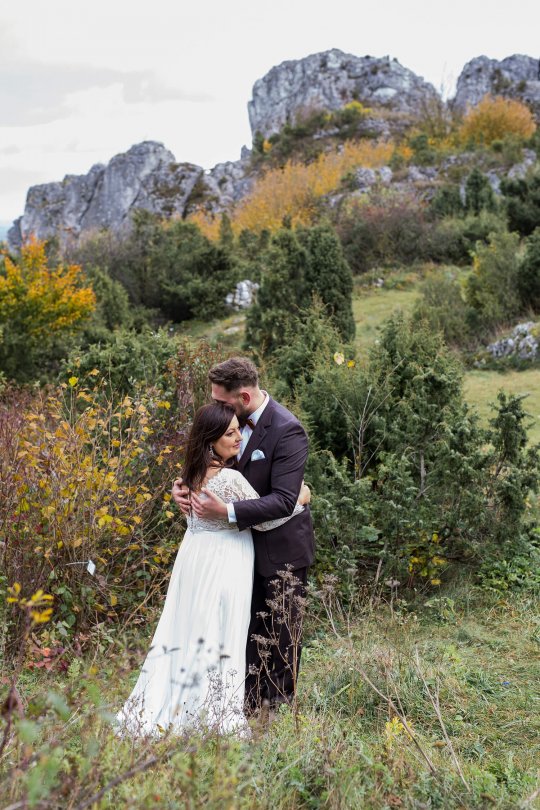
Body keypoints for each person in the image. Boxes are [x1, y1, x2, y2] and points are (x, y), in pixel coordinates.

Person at [116, 402, 308, 737]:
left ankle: (177, 700)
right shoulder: (230, 479)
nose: (238, 438)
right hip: (225, 561)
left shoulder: (188, 476)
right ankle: (211, 710)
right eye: (230, 433)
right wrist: (303, 497)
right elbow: (268, 520)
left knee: (189, 628)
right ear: (210, 442)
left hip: (194, 559)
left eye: (238, 430)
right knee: (222, 629)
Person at [172, 357, 315, 714]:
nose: (217, 409)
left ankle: (277, 718)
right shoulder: (226, 427)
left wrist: (228, 512)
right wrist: (182, 488)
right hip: (236, 551)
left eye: (223, 403)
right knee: (244, 632)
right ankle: (244, 708)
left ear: (245, 398)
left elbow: (283, 499)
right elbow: (209, 469)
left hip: (281, 549)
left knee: (281, 636)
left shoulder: (287, 429)